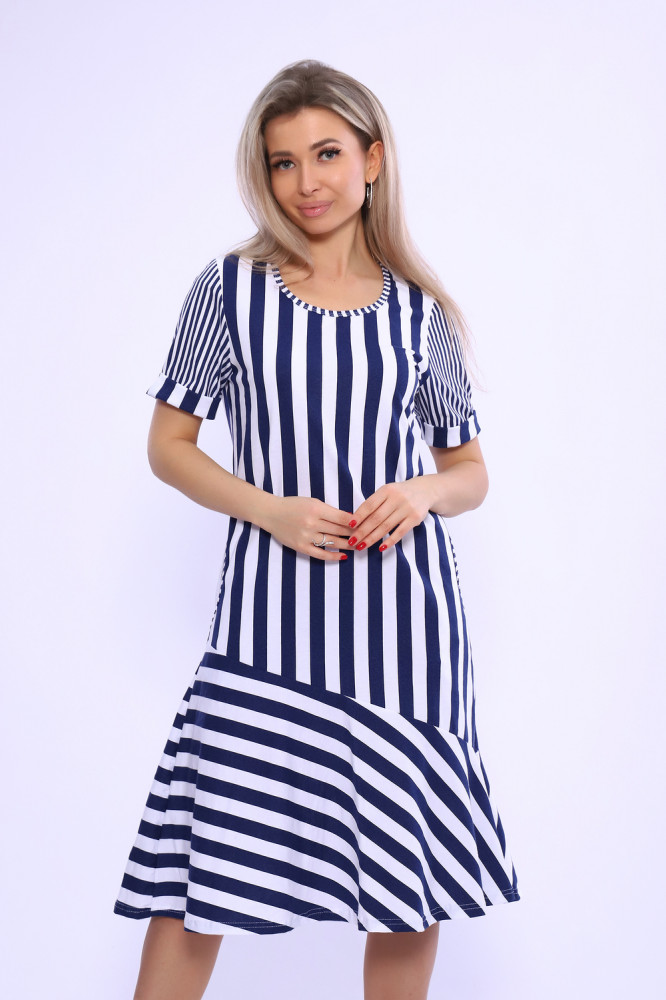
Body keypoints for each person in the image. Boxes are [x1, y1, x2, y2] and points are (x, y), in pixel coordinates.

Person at [113, 58, 521, 1000]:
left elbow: (471, 474)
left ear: (372, 160)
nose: (307, 182)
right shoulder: (230, 290)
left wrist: (423, 492)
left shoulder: (420, 315)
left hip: (406, 638)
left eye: (328, 154)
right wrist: (270, 510)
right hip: (265, 632)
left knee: (405, 890)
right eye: (284, 161)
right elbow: (168, 446)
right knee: (201, 874)